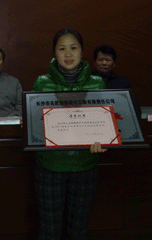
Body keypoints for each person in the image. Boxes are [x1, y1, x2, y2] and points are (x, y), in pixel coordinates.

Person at [31, 28, 106, 240]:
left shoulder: (97, 83)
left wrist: (103, 139)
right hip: (50, 165)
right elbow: (34, 123)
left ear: (82, 51)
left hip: (85, 164)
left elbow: (106, 123)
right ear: (54, 53)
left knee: (79, 229)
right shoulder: (41, 83)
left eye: (73, 48)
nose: (68, 54)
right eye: (62, 48)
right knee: (49, 230)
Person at [92, 45, 141, 118]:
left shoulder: (123, 82)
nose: (104, 63)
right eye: (100, 60)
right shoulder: (85, 81)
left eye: (108, 60)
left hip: (117, 119)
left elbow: (134, 108)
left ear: (114, 64)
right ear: (95, 62)